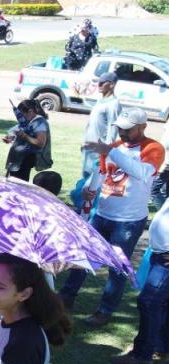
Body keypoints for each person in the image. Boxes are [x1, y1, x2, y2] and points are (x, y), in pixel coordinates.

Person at [61, 108, 165, 327]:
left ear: (143, 127)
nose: (123, 133)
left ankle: (105, 310)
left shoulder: (153, 148)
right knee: (83, 257)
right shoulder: (114, 147)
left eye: (128, 129)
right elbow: (101, 172)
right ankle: (66, 297)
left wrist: (110, 150)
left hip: (128, 220)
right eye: (120, 129)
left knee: (117, 268)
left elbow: (142, 172)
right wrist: (89, 189)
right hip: (102, 214)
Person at [113, 194, 169, 364]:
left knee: (149, 302)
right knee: (162, 303)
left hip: (165, 261)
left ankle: (142, 355)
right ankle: (161, 347)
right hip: (160, 254)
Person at [82, 72, 122, 185]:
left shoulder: (114, 104)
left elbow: (113, 129)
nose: (98, 85)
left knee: (93, 182)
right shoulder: (100, 100)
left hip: (99, 150)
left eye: (102, 83)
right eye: (98, 82)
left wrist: (106, 151)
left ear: (112, 84)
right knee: (85, 177)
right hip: (89, 146)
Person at [3, 99, 50, 181]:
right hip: (17, 158)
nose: (20, 118)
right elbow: (20, 132)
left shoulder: (39, 122)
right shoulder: (28, 121)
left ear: (30, 111)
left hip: (26, 159)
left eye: (21, 114)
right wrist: (10, 138)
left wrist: (25, 136)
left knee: (20, 182)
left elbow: (40, 143)